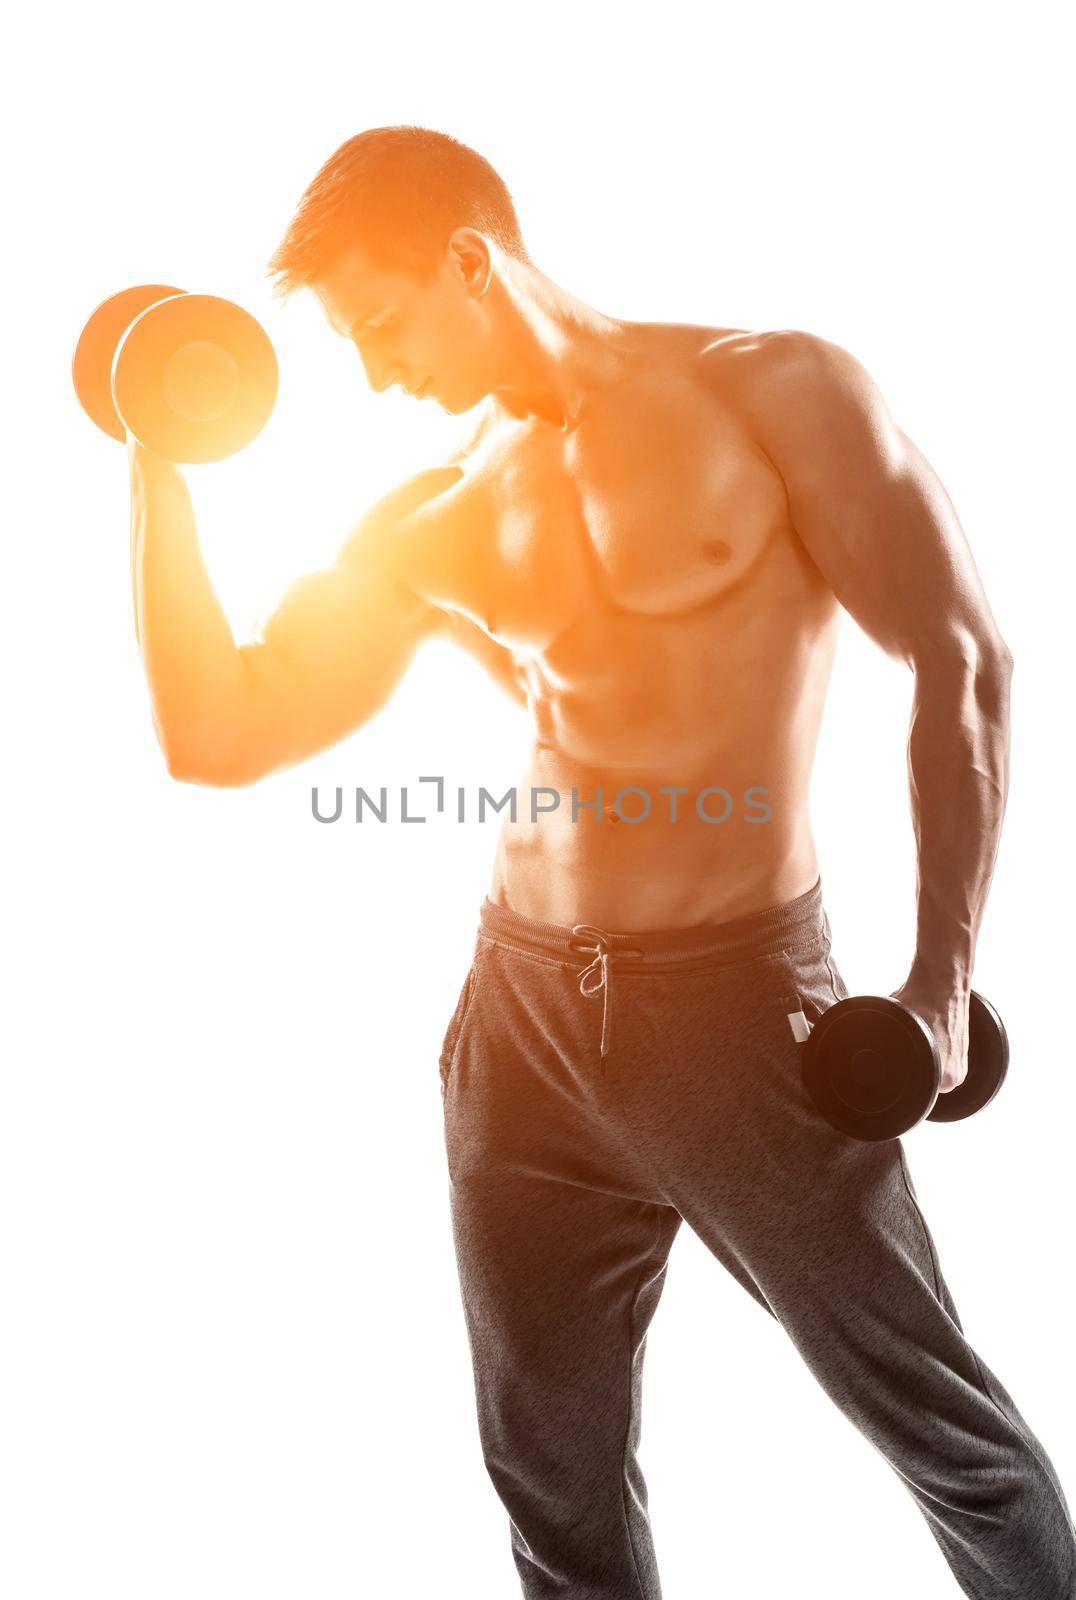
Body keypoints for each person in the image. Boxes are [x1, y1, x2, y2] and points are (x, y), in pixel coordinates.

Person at [127, 125, 1075, 1598]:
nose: (377, 376)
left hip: (738, 1017)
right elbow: (222, 728)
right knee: (550, 1481)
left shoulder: (772, 388)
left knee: (942, 1430)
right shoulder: (427, 514)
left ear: (467, 254)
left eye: (380, 325)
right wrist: (157, 457)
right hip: (515, 1029)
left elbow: (961, 659)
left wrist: (941, 983)